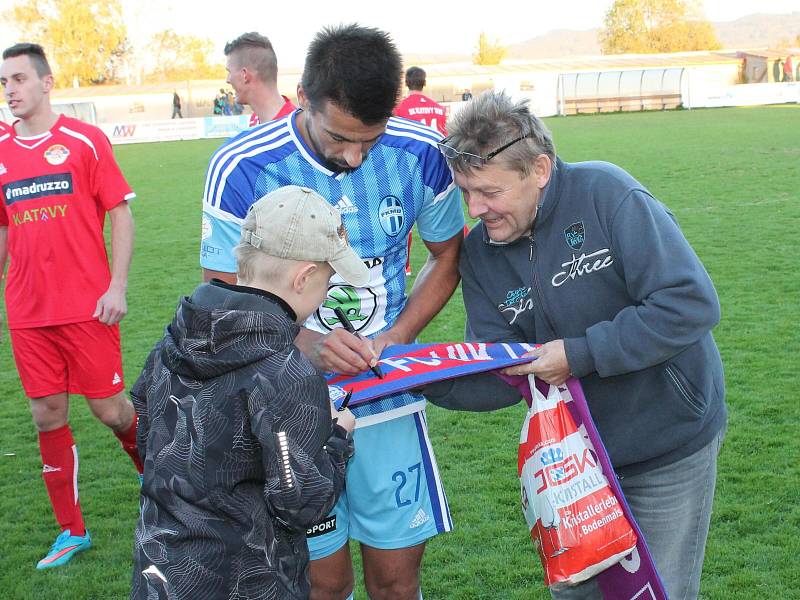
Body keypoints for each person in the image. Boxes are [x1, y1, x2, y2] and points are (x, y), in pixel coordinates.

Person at [424, 90, 727, 600]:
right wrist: (418, 379)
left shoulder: (607, 193)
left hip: (666, 445)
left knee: (658, 593)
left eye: (489, 192)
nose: (475, 210)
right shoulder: (481, 253)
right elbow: (504, 369)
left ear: (539, 169)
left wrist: (579, 355)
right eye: (465, 192)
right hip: (570, 462)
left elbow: (689, 303)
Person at [201, 24, 464, 600]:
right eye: (339, 136)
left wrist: (400, 333)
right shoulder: (243, 167)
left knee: (396, 582)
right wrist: (303, 345)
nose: (353, 155)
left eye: (369, 139)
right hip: (285, 410)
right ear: (303, 96)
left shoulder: (420, 155)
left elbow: (448, 255)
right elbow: (221, 292)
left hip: (386, 402)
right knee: (322, 583)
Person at [131, 185, 362, 599]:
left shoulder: (173, 340)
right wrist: (335, 437)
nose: (327, 292)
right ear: (303, 276)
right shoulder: (287, 372)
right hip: (246, 579)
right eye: (328, 280)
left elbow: (147, 437)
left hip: (160, 572)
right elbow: (301, 505)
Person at [0, 43, 142, 569]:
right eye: (4, 83)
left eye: (18, 79)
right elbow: (3, 226)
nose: (10, 90)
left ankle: (152, 470)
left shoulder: (85, 140)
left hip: (88, 307)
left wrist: (118, 286)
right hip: (28, 311)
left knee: (109, 410)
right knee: (45, 415)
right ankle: (71, 530)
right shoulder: (1, 150)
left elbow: (120, 215)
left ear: (47, 82)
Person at [394, 66, 448, 275]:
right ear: (424, 82)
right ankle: (464, 255)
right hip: (437, 168)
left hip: (408, 167)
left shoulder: (401, 108)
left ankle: (405, 266)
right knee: (447, 219)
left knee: (399, 216)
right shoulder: (437, 108)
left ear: (407, 82)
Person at [224, 32, 295, 127]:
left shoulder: (297, 128)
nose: (227, 80)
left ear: (244, 75)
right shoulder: (255, 119)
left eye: (229, 72)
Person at [394, 66, 447, 136]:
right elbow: (445, 136)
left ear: (406, 83)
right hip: (435, 146)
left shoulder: (399, 108)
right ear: (424, 83)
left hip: (411, 146)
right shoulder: (440, 109)